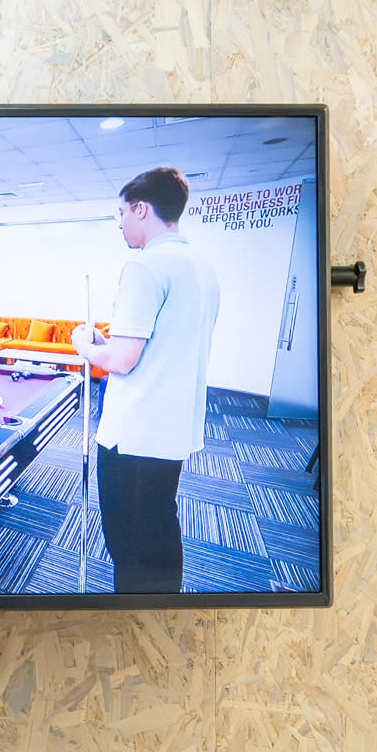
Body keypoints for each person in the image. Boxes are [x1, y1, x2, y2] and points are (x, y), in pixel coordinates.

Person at [76, 167, 220, 594]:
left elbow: (121, 360)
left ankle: (134, 619)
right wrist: (110, 343)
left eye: (121, 213)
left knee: (130, 543)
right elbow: (160, 346)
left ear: (141, 209)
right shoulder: (201, 266)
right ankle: (159, 612)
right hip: (172, 431)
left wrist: (84, 345)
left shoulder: (144, 267)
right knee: (159, 526)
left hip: (133, 437)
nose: (120, 223)